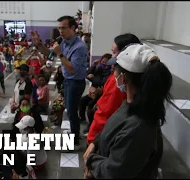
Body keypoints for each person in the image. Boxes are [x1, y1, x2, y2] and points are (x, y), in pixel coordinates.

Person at [83, 44, 171, 179]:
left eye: (114, 71)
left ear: (122, 78)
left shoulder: (138, 127)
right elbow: (113, 129)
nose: (113, 75)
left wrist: (91, 160)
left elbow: (114, 173)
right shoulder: (132, 104)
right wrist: (95, 143)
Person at [31, 15, 88, 148]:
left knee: (71, 111)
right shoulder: (64, 42)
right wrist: (39, 44)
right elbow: (49, 53)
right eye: (59, 28)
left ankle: (75, 142)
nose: (60, 31)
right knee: (69, 109)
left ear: (73, 28)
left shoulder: (79, 47)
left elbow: (72, 69)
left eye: (64, 28)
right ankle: (75, 132)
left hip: (75, 82)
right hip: (68, 81)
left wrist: (60, 54)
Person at [87, 33, 140, 144]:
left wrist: (93, 141)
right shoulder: (131, 75)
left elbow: (106, 113)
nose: (112, 58)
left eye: (114, 52)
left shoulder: (119, 79)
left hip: (105, 136)